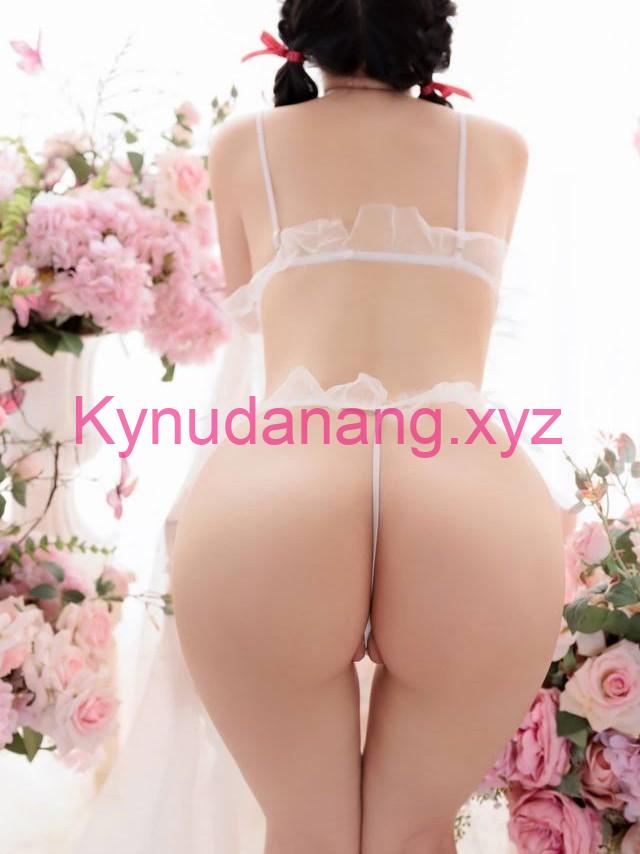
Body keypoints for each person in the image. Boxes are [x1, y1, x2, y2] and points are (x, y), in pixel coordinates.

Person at [168, 2, 577, 853]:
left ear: (301, 33)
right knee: (414, 835)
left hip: (281, 485)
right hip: (469, 492)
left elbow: (251, 313)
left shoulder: (245, 147)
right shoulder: (497, 150)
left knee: (306, 831)